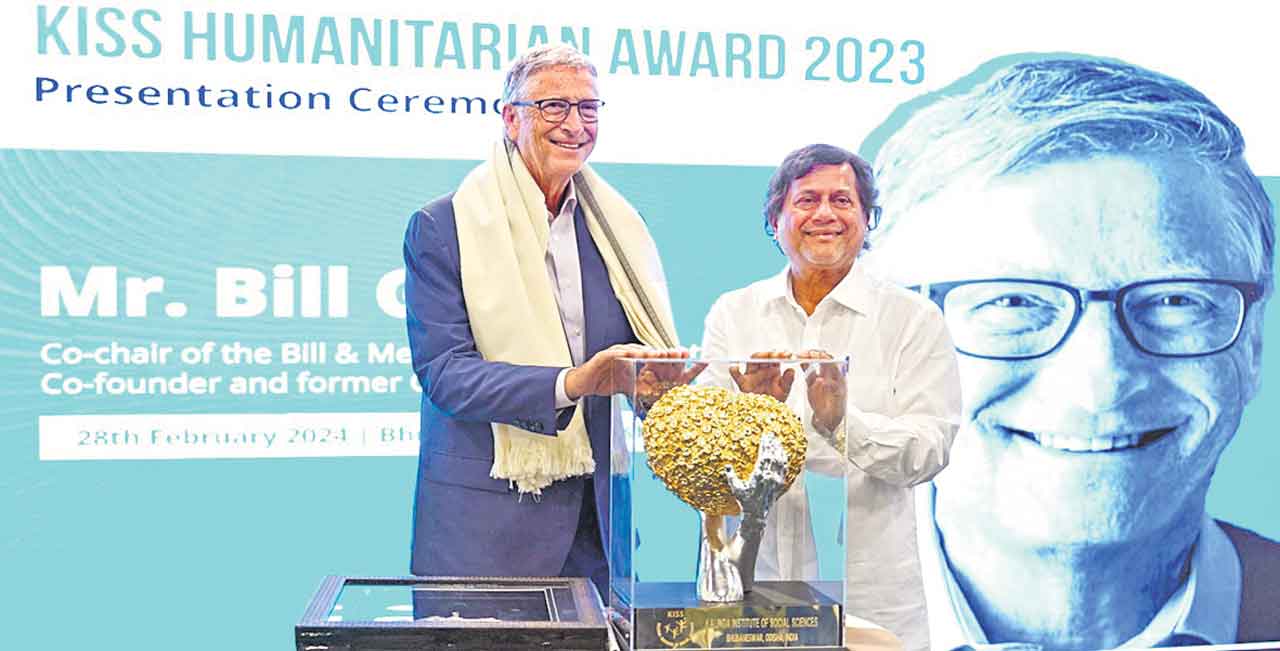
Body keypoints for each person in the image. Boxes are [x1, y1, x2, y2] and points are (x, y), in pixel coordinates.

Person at [863, 56, 1280, 648]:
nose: (1100, 382)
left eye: (1174, 300)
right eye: (1012, 302)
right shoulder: (756, 627)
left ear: (1253, 342)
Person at [403, 44, 689, 598]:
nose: (575, 125)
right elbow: (445, 373)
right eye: (554, 106)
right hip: (485, 534)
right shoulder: (444, 226)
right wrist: (572, 383)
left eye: (589, 107)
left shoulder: (617, 228)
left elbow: (636, 360)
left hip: (598, 530)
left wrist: (662, 380)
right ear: (511, 119)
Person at [698, 143, 963, 651]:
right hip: (755, 591)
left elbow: (929, 451)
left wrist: (842, 424)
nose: (825, 214)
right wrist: (754, 418)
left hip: (874, 603)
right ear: (775, 220)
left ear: (867, 220)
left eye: (842, 200)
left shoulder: (913, 319)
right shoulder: (734, 313)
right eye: (806, 200)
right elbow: (706, 463)